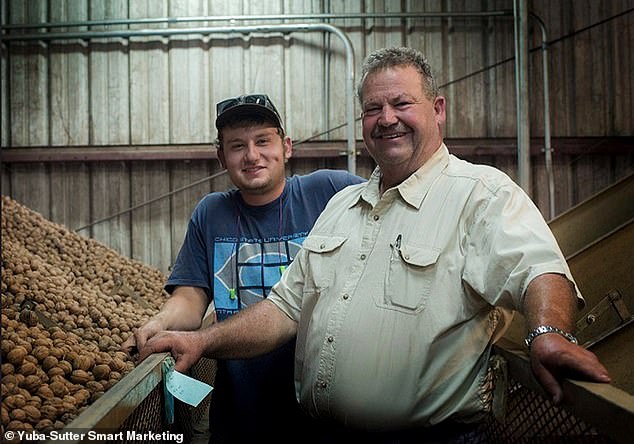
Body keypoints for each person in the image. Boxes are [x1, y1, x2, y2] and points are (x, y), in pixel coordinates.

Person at [135, 48, 611, 442]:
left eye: (401, 104)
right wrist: (200, 340)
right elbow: (285, 308)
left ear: (438, 109)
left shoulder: (480, 193)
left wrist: (550, 333)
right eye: (372, 109)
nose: (387, 120)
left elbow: (537, 268)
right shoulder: (343, 205)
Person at [122, 93, 365, 444]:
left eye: (263, 141)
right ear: (222, 156)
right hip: (242, 415)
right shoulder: (212, 213)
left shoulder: (330, 191)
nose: (252, 155)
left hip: (327, 412)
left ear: (287, 146)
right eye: (237, 146)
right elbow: (191, 296)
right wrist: (160, 322)